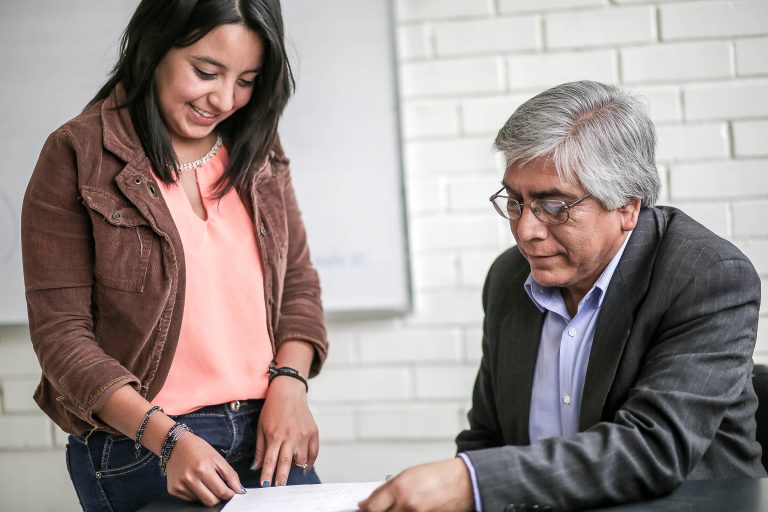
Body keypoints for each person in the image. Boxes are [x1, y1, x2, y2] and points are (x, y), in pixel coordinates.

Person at [359, 80, 766, 512]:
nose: (524, 231)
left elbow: (653, 447)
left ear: (628, 205)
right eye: (514, 202)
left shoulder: (706, 276)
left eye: (554, 206)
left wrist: (474, 481)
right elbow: (486, 437)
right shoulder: (507, 279)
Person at [21, 1, 328, 510]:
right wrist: (167, 439)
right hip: (143, 445)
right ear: (154, 46)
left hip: (269, 426)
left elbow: (298, 282)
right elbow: (60, 337)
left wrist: (291, 384)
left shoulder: (258, 147)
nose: (225, 98)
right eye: (206, 72)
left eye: (247, 80)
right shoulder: (76, 152)